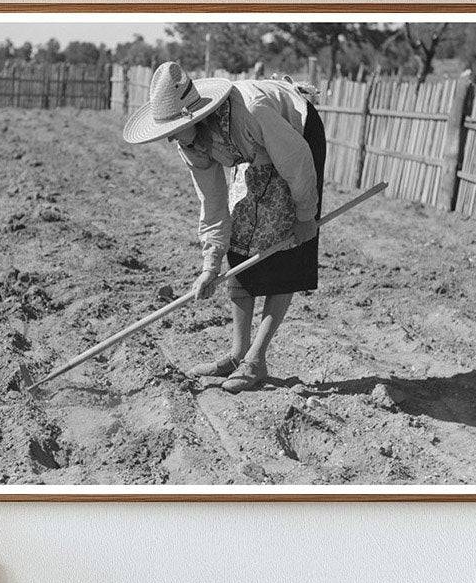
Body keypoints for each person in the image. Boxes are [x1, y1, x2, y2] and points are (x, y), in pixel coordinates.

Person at [123, 61, 326, 393]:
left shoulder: (252, 111)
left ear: (197, 117)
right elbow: (214, 204)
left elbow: (296, 160)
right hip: (255, 153)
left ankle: (256, 360)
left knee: (286, 241)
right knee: (241, 237)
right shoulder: (190, 144)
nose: (170, 137)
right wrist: (210, 265)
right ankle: (237, 353)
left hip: (297, 136)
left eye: (173, 128)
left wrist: (305, 215)